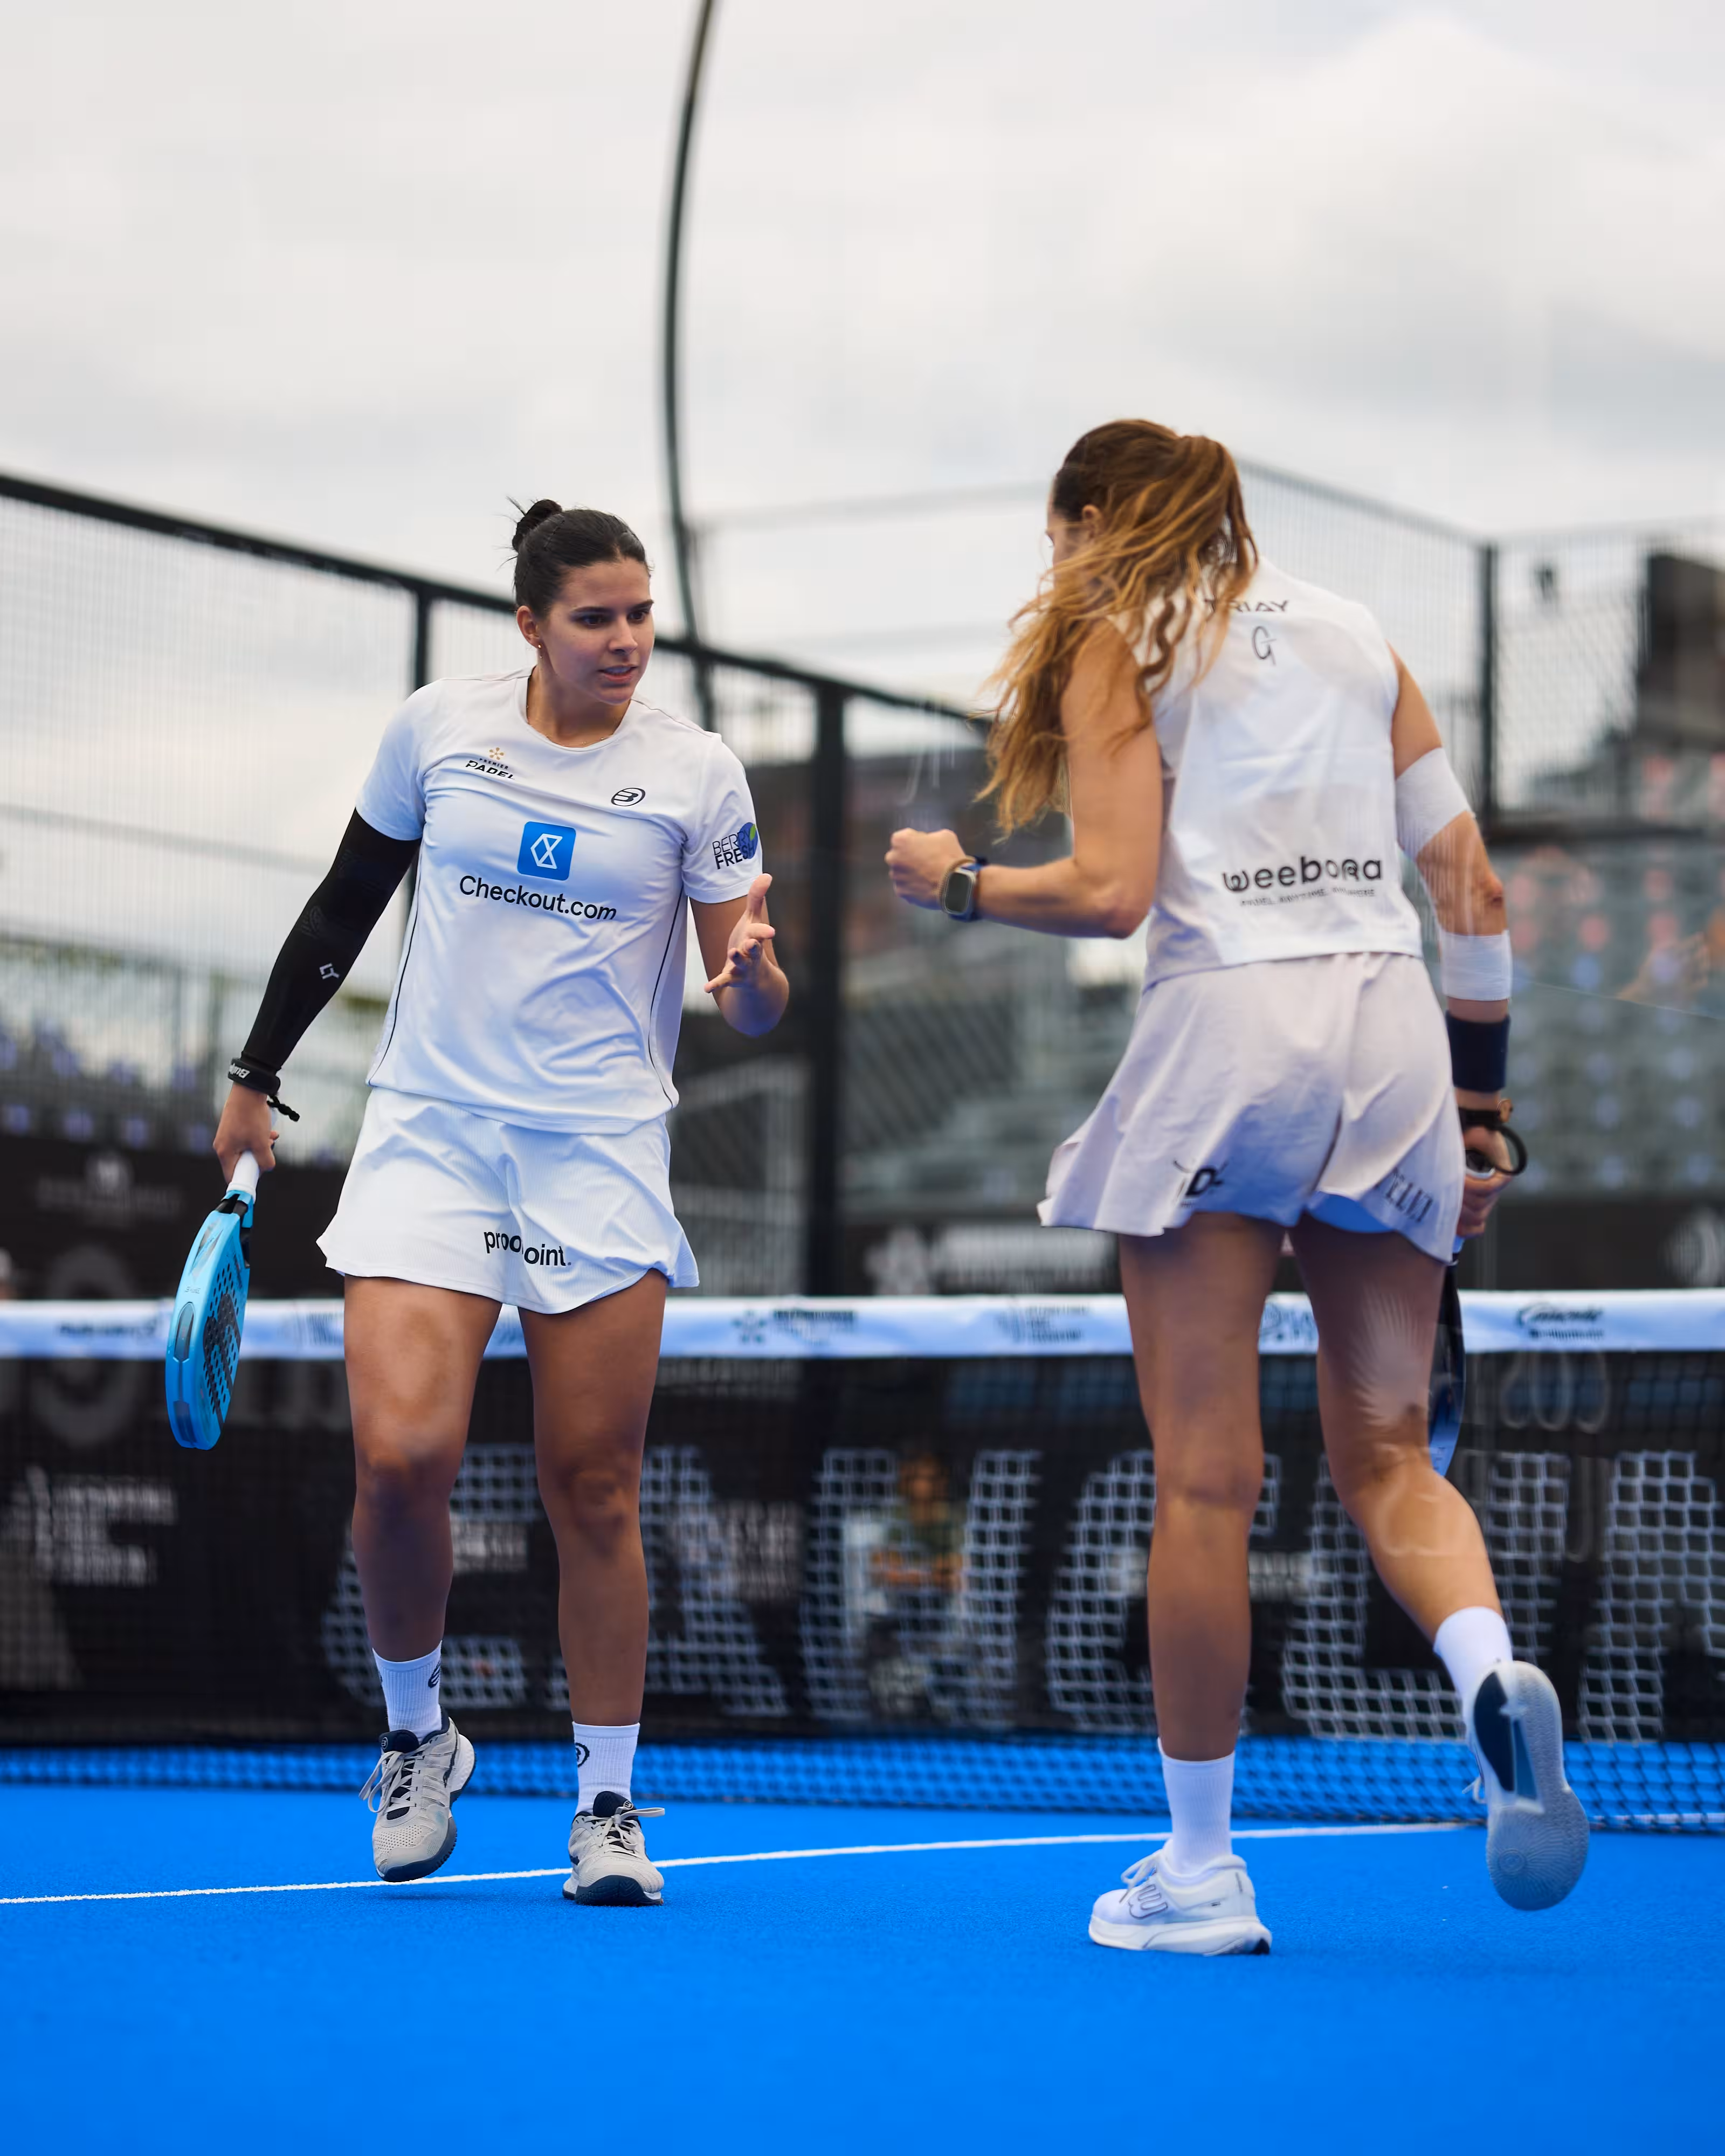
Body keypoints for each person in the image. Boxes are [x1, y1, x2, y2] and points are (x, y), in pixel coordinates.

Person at [886, 420, 1587, 1955]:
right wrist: (1481, 1119)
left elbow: (1113, 891)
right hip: (1395, 1033)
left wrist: (955, 882)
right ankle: (1487, 1681)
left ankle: (1200, 1874)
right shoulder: (1357, 637)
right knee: (1392, 1457)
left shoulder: (1114, 635)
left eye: (1055, 531)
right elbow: (1471, 891)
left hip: (1233, 1032)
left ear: (1085, 520)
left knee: (1207, 1480)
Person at [214, 501, 787, 1903]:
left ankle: (605, 1805)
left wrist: (756, 976)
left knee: (592, 1485)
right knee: (404, 1459)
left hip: (600, 1156)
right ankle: (418, 1736)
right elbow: (345, 904)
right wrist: (255, 1076)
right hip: (433, 1139)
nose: (627, 642)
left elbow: (753, 997)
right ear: (531, 624)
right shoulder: (436, 731)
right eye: (597, 618)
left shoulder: (699, 773)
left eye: (643, 615)